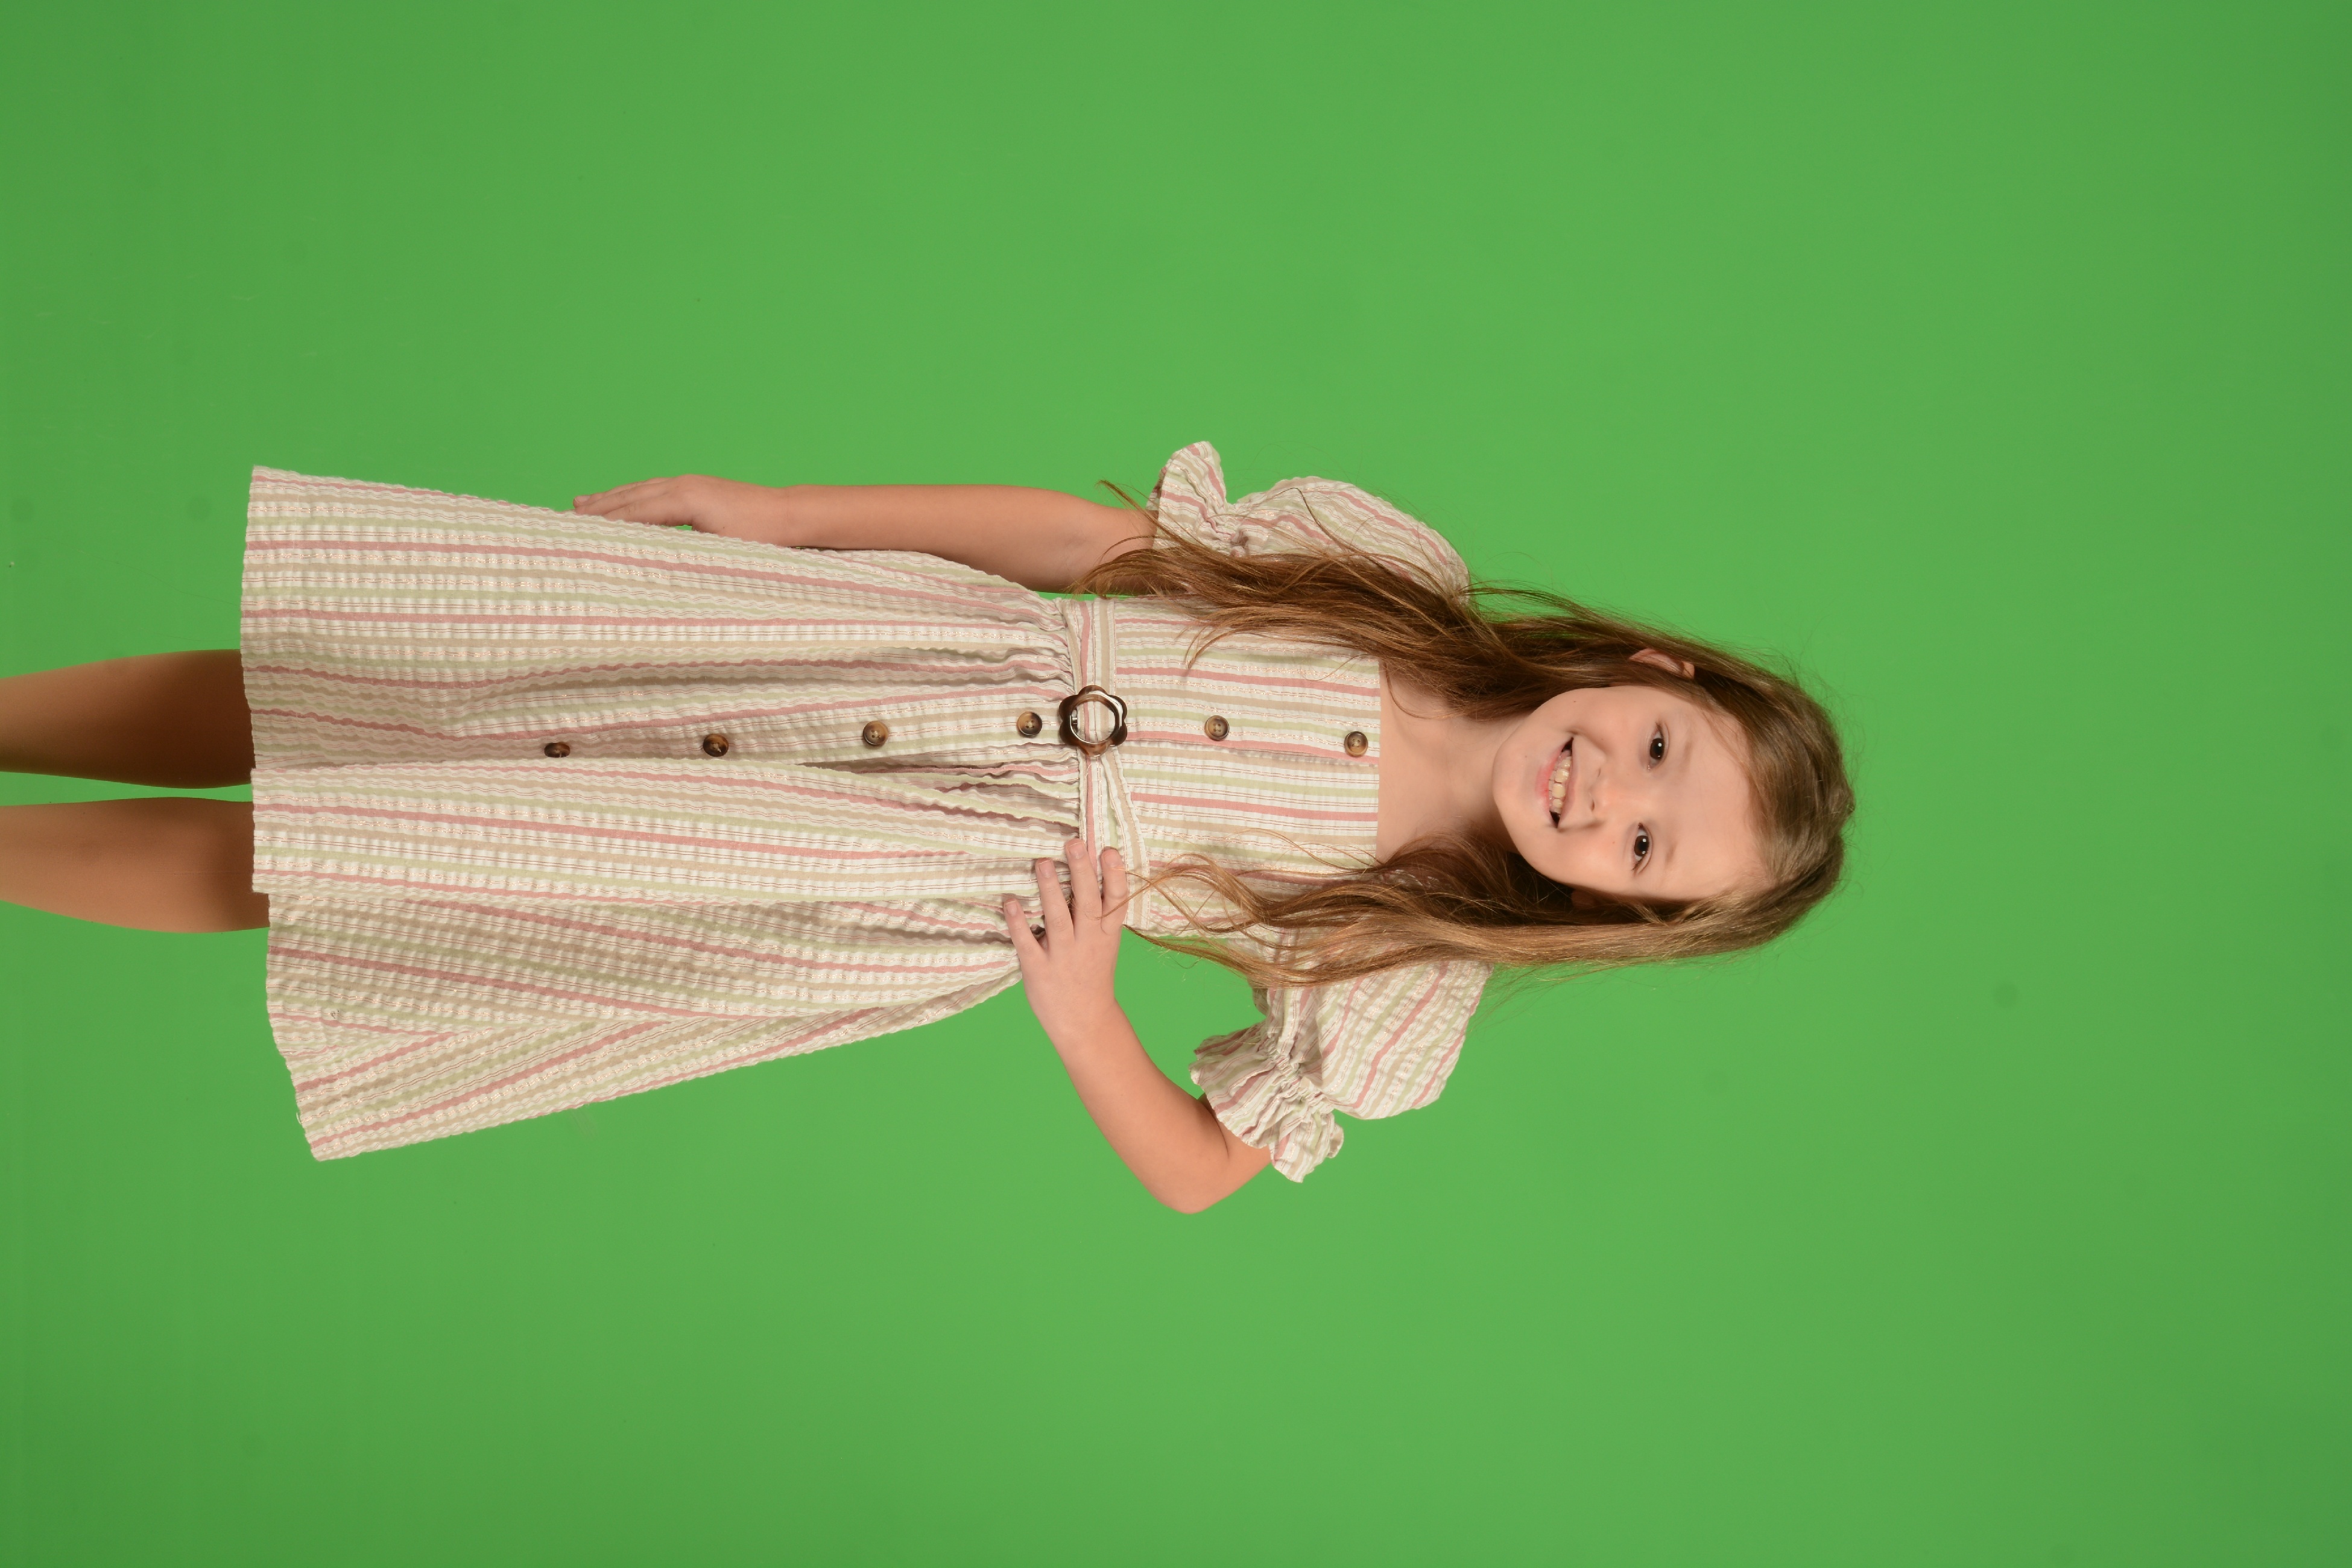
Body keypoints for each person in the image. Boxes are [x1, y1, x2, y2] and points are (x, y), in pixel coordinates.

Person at [0, 443, 1852, 1210]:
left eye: (1641, 850)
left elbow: (1205, 1171)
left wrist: (1084, 1018)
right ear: (1652, 666)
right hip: (860, 648)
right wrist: (790, 516)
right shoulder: (1389, 578)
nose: (1605, 796)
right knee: (371, 673)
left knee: (363, 860)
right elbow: (1091, 544)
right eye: (1657, 751)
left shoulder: (1401, 968)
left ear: (1619, 915)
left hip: (870, 873)